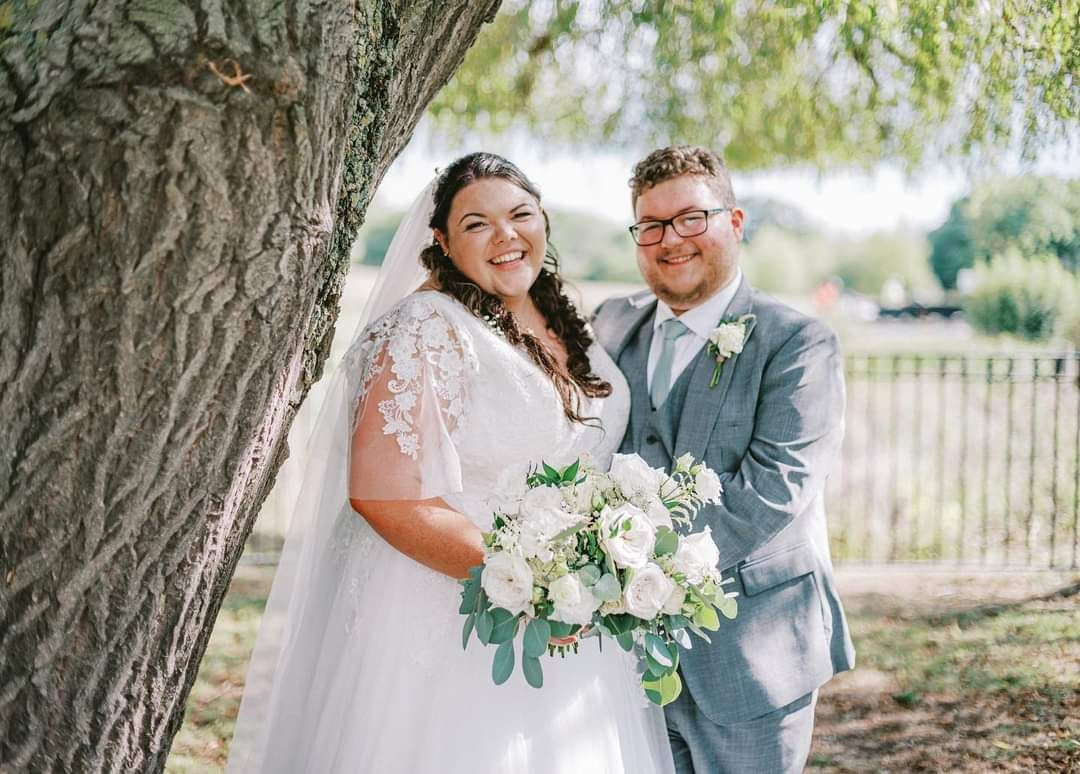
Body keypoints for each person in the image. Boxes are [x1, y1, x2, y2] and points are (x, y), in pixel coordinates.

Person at [227, 153, 675, 773]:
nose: (506, 236)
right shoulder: (425, 326)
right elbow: (384, 496)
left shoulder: (561, 312)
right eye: (476, 224)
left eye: (521, 215)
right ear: (441, 240)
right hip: (454, 613)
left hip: (575, 623)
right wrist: (535, 585)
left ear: (543, 218)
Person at [592, 145, 856, 773]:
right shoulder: (608, 324)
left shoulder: (796, 342)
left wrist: (632, 576)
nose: (669, 240)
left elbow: (773, 490)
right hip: (622, 670)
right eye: (650, 225)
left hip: (753, 659)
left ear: (733, 223)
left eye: (690, 218)